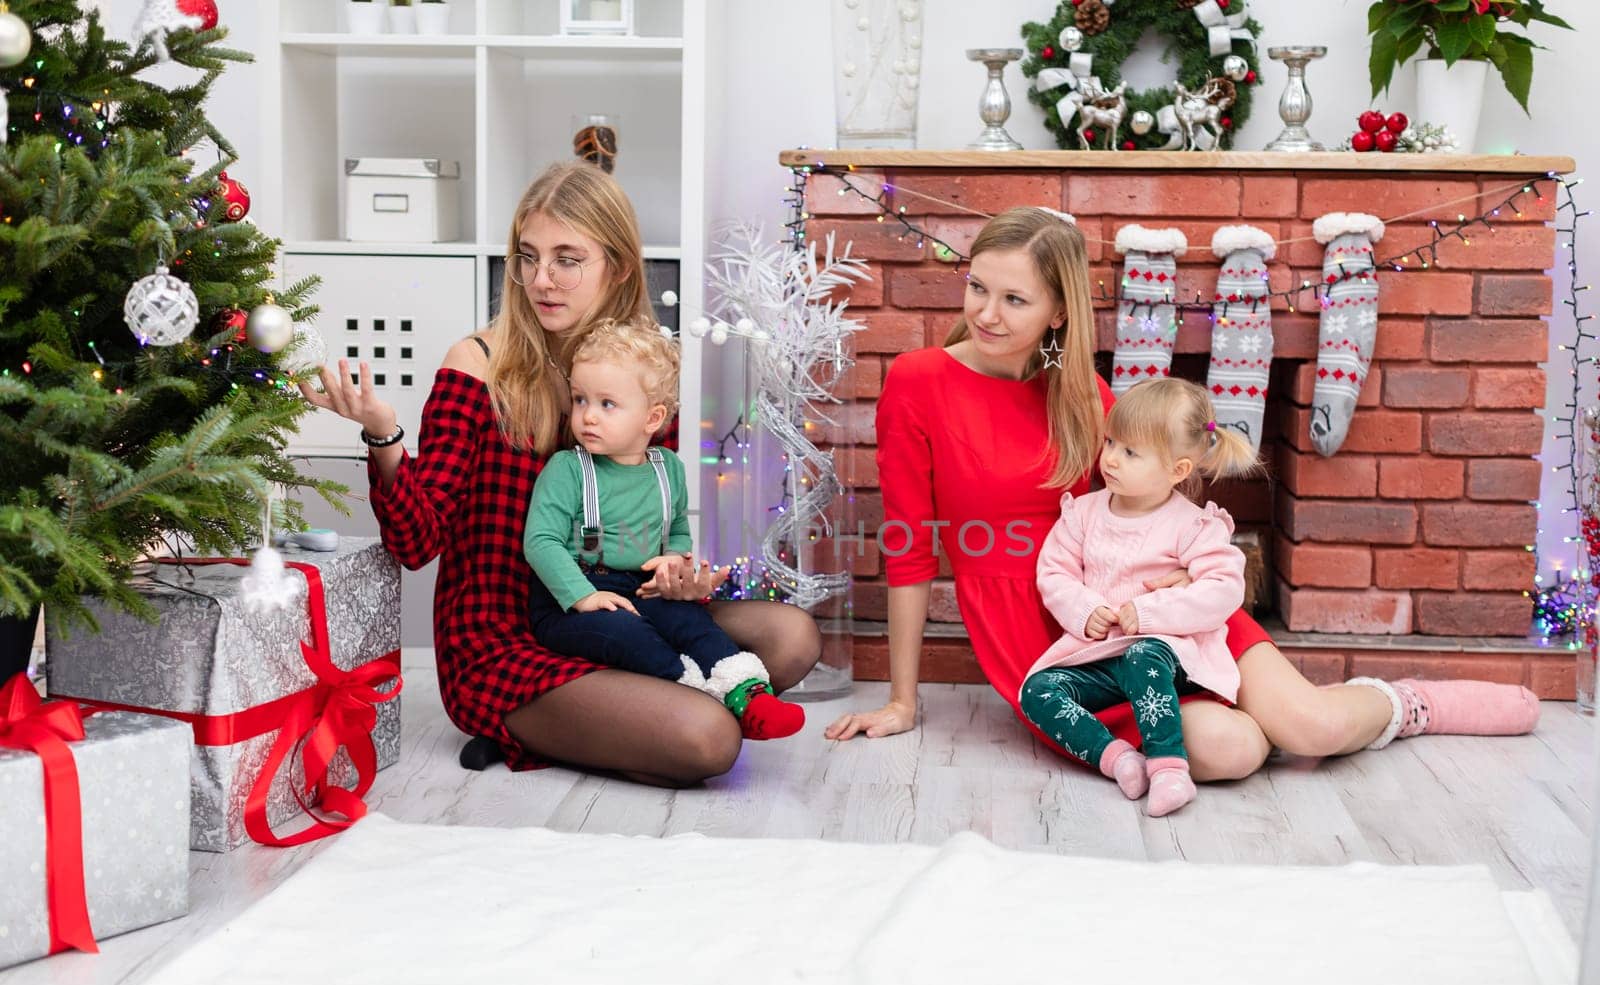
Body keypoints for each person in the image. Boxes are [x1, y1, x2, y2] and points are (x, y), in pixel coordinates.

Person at [825, 206, 1540, 779]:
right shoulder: (918, 381)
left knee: (1310, 729)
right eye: (978, 287)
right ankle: (1264, 713)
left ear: (1059, 312)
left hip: (1162, 608)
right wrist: (902, 698)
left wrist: (1182, 571)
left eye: (1015, 299)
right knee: (1236, 750)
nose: (986, 313)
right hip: (1060, 640)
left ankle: (1415, 703)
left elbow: (1157, 504)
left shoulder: (1086, 397)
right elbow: (909, 549)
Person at [301, 161, 821, 787]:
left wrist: (679, 574)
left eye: (568, 259)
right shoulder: (478, 363)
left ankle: (648, 693)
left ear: (619, 266)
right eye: (528, 256)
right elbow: (416, 544)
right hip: (504, 637)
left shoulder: (641, 369)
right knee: (710, 740)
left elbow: (654, 522)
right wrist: (383, 434)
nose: (541, 279)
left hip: (622, 607)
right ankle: (641, 704)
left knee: (791, 636)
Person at [523, 321, 805, 740]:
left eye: (607, 404)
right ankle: (693, 693)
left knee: (692, 623)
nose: (588, 416)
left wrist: (673, 561)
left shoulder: (666, 468)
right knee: (628, 633)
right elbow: (540, 541)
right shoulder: (568, 469)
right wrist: (584, 597)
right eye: (581, 400)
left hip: (641, 586)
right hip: (574, 599)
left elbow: (675, 530)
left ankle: (749, 693)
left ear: (651, 418)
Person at [1019, 378, 1259, 817]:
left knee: (1143, 656)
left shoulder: (1191, 526)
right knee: (1037, 691)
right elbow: (1054, 571)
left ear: (1177, 470)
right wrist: (1084, 608)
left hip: (1167, 658)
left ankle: (1169, 768)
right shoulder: (1084, 514)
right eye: (1110, 442)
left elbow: (1224, 588)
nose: (1110, 458)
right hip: (1100, 658)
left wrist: (1149, 612)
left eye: (1130, 452)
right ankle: (1119, 760)